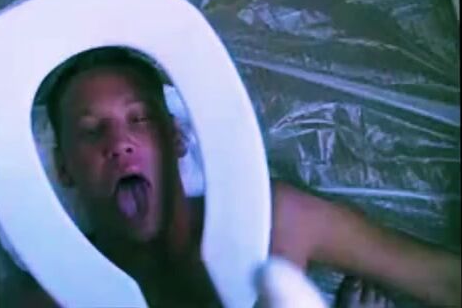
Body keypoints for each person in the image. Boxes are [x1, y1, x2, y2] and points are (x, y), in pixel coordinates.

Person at [43, 47, 461, 307]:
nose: (120, 143)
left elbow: (444, 279)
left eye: (140, 119)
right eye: (91, 130)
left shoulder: (276, 221)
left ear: (176, 138)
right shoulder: (48, 296)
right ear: (63, 168)